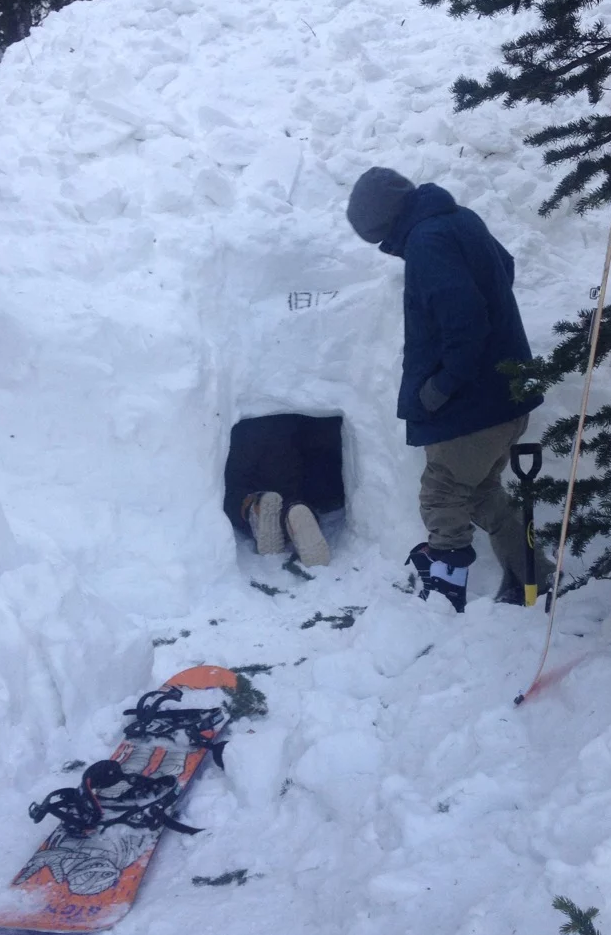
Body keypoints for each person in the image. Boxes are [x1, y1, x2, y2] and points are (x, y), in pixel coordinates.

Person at [346, 167, 554, 612]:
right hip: (504, 391)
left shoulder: (427, 241)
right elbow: (505, 268)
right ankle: (532, 576)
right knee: (478, 491)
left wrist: (442, 385)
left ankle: (444, 593)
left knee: (442, 493)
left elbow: (465, 321)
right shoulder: (460, 219)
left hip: (471, 404)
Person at [223, 414, 342, 567]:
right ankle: (292, 513)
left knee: (233, 494)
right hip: (288, 452)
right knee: (290, 495)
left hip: (248, 436)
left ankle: (254, 506)